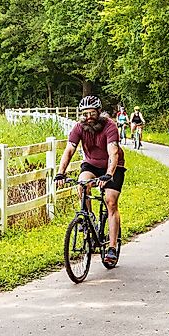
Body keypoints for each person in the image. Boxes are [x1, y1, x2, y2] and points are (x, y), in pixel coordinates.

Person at [54, 95, 126, 264]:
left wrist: (108, 175)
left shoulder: (110, 126)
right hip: (91, 164)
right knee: (81, 185)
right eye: (85, 114)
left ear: (99, 112)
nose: (88, 118)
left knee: (110, 201)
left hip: (113, 166)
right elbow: (69, 150)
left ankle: (112, 248)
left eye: (92, 113)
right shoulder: (79, 128)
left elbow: (113, 152)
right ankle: (88, 218)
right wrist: (60, 173)